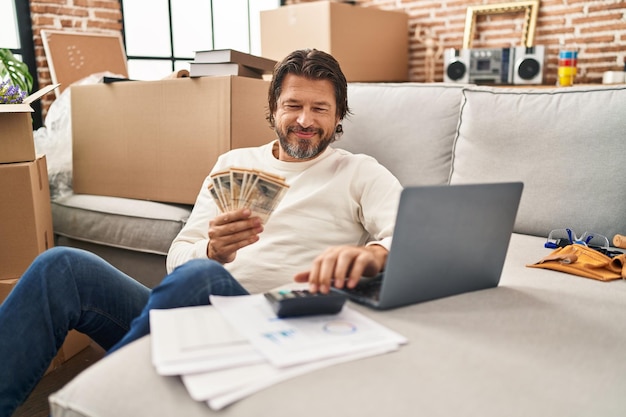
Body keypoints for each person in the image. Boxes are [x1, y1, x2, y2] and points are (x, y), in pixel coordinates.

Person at [0, 48, 402, 416]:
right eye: (293, 105)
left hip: (274, 327)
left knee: (201, 277)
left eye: (320, 108)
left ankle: (92, 403)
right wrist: (213, 251)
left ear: (338, 116)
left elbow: (408, 237)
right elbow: (178, 257)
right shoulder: (233, 163)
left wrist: (374, 255)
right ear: (273, 109)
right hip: (194, 309)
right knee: (62, 265)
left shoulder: (359, 172)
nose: (304, 120)